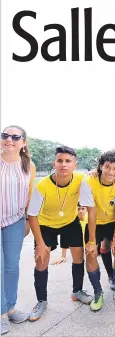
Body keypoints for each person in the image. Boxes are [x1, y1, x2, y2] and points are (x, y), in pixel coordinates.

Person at [27, 146, 92, 322]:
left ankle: (77, 291)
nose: (63, 164)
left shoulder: (80, 178)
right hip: (46, 224)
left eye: (68, 161)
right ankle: (41, 301)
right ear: (54, 163)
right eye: (60, 161)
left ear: (74, 164)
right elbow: (32, 215)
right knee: (41, 260)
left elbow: (96, 176)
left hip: (70, 222)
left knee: (79, 257)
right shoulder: (42, 186)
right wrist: (40, 243)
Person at [79, 151, 115, 311]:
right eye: (107, 167)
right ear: (101, 166)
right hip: (95, 222)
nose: (111, 172)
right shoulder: (89, 181)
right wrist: (92, 241)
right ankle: (98, 292)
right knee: (91, 253)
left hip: (113, 221)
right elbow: (91, 212)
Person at [1, 126, 36, 334]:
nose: (9, 140)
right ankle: (1, 313)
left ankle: (11, 308)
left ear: (23, 143)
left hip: (14, 221)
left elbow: (30, 197)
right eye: (5, 136)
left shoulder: (28, 165)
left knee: (12, 266)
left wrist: (28, 222)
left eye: (15, 137)